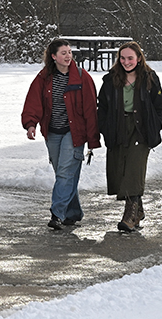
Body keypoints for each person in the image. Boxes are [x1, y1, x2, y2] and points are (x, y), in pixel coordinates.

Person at [21, 38, 100, 230]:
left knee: (65, 173)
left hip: (75, 133)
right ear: (54, 56)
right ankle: (72, 213)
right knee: (63, 173)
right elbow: (33, 102)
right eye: (63, 53)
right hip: (53, 132)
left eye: (69, 52)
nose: (67, 56)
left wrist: (92, 138)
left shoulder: (82, 77)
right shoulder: (44, 77)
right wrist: (30, 124)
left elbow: (91, 109)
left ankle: (56, 214)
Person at [96, 40, 162, 233]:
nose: (126, 62)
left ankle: (129, 216)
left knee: (134, 170)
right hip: (118, 127)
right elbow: (102, 106)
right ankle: (139, 211)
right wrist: (104, 126)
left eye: (130, 58)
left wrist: (154, 126)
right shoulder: (111, 80)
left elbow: (160, 107)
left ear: (138, 58)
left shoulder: (149, 78)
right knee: (119, 170)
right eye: (123, 58)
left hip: (141, 129)